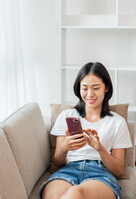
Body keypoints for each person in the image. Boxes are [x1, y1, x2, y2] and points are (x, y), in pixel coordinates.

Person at [40, 62, 132, 199]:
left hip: (100, 174)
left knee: (75, 193)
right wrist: (65, 147)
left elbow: (118, 170)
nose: (90, 94)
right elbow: (58, 162)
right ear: (79, 89)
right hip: (67, 171)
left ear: (106, 88)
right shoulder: (67, 116)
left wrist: (100, 148)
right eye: (84, 88)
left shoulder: (117, 122)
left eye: (96, 88)